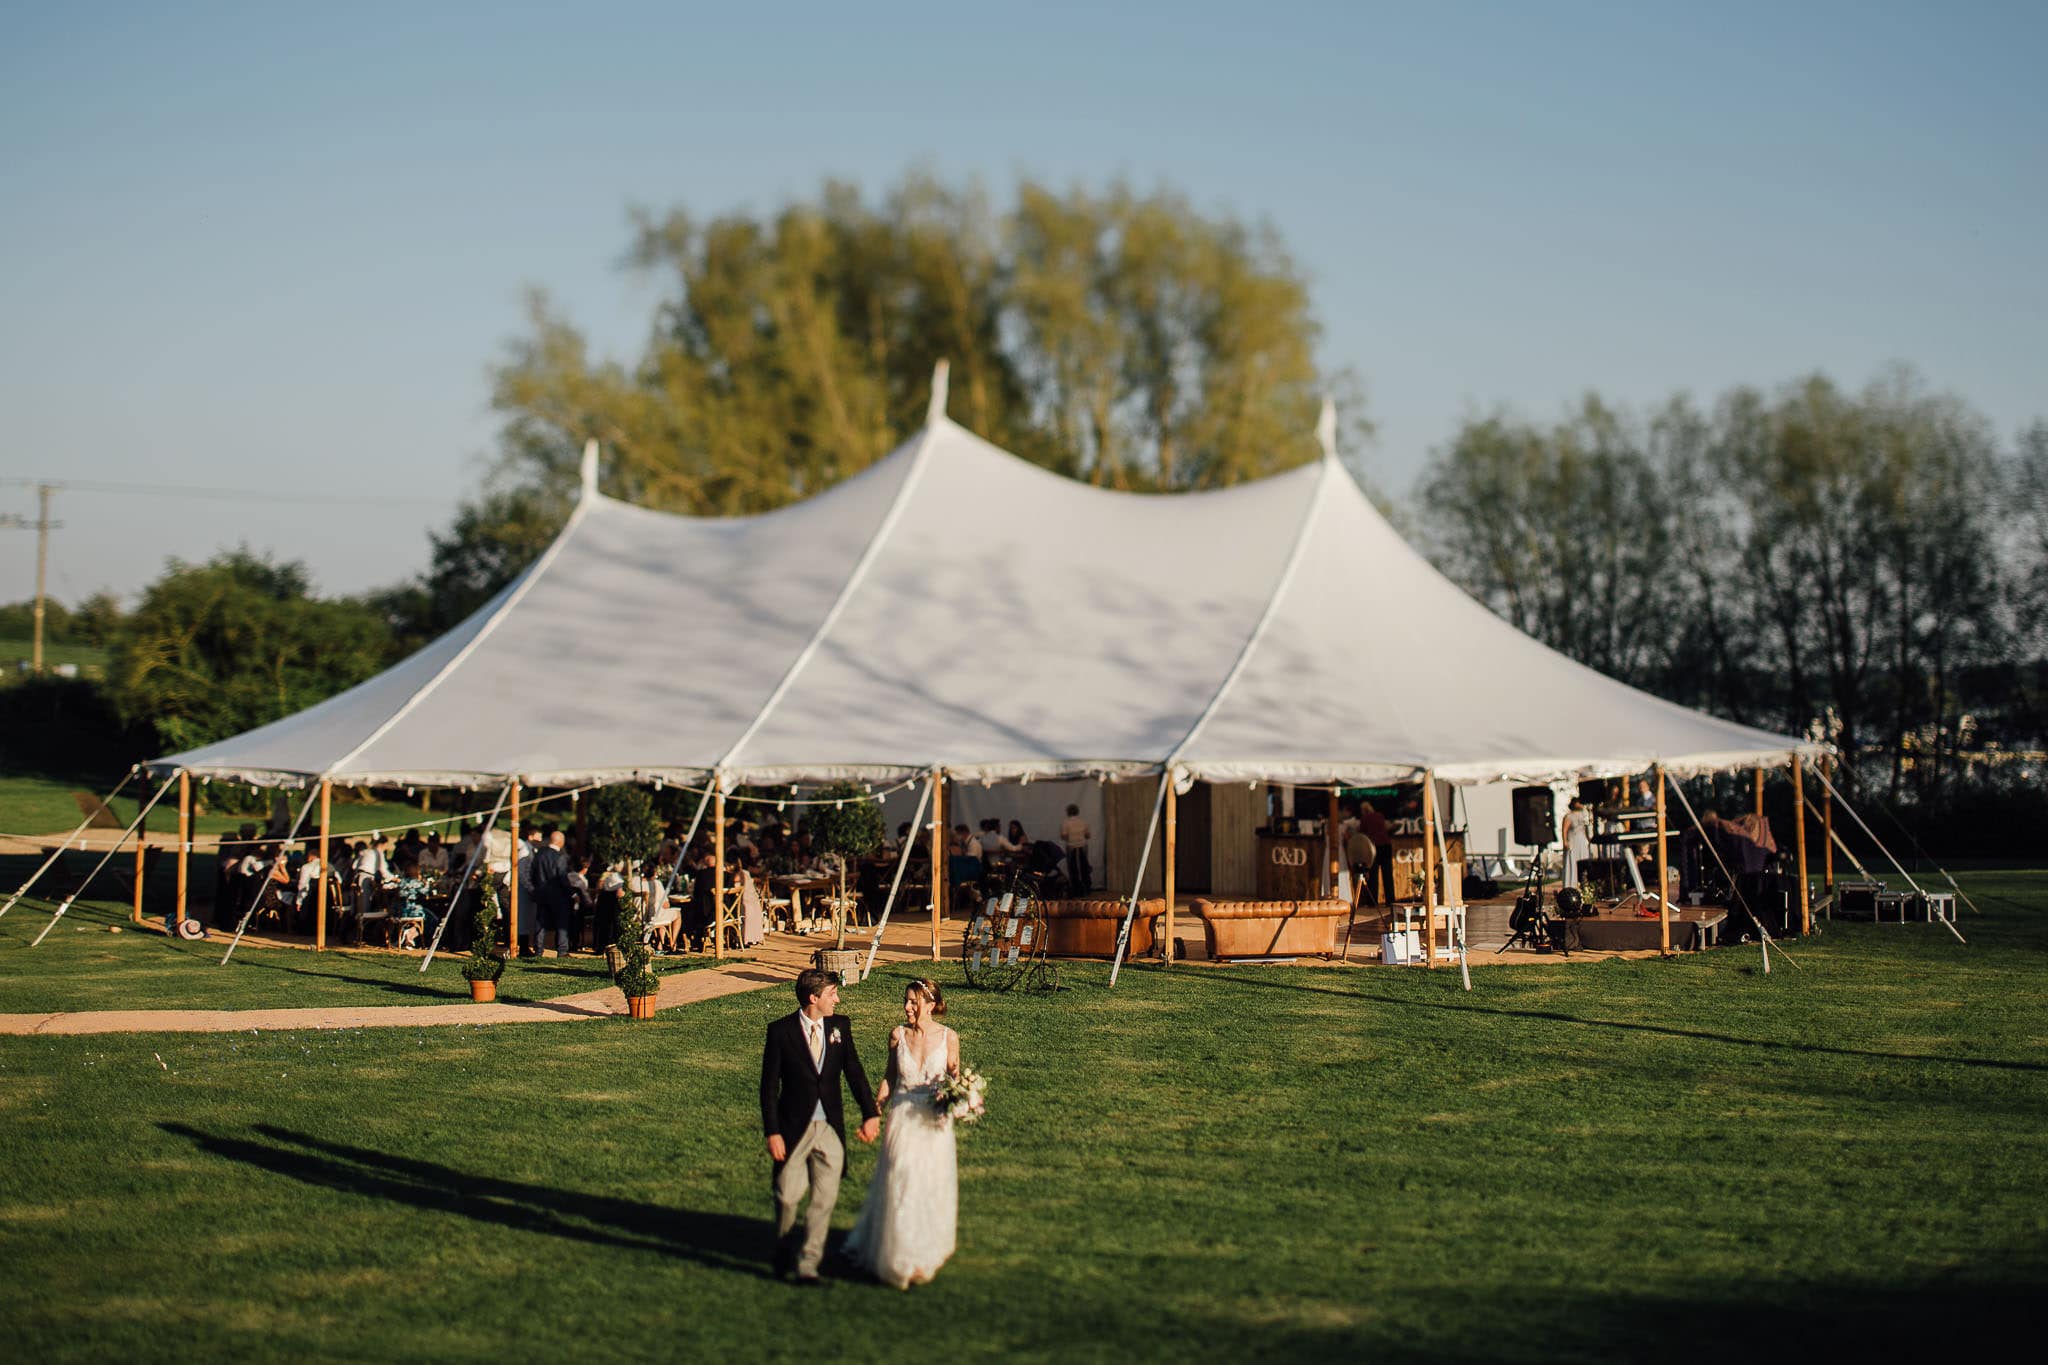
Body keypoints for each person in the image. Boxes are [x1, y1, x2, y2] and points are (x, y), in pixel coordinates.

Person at [760, 968, 880, 1284]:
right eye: (832, 994)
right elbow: (769, 1087)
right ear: (814, 998)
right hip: (793, 1130)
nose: (837, 999)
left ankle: (808, 1265)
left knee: (823, 1201)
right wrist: (772, 1131)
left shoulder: (840, 1027)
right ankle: (784, 1250)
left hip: (829, 1128)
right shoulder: (780, 1032)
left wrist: (870, 1113)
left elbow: (854, 1072)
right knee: (787, 1196)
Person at [844, 977, 961, 1288]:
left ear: (931, 1005)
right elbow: (889, 1076)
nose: (908, 1007)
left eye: (914, 1002)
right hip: (902, 1119)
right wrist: (875, 1109)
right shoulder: (897, 1035)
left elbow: (955, 1078)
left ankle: (922, 1254)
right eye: (906, 1001)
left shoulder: (950, 1038)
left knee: (927, 1185)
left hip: (934, 1122)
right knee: (900, 1181)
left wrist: (959, 1097)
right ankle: (898, 1255)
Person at [1059, 803, 1092, 893]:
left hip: (1071, 846)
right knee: (1084, 866)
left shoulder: (1066, 822)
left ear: (1068, 812)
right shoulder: (1083, 822)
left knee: (1073, 868)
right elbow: (1088, 835)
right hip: (1083, 846)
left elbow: (1064, 836)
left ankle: (1076, 889)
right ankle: (1087, 887)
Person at [1562, 798, 1593, 889]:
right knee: (1572, 862)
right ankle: (1571, 885)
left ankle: (1583, 884)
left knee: (1583, 861)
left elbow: (1586, 829)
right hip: (1573, 841)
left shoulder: (1583, 815)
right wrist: (1565, 841)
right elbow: (1565, 829)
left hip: (1582, 841)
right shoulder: (1569, 816)